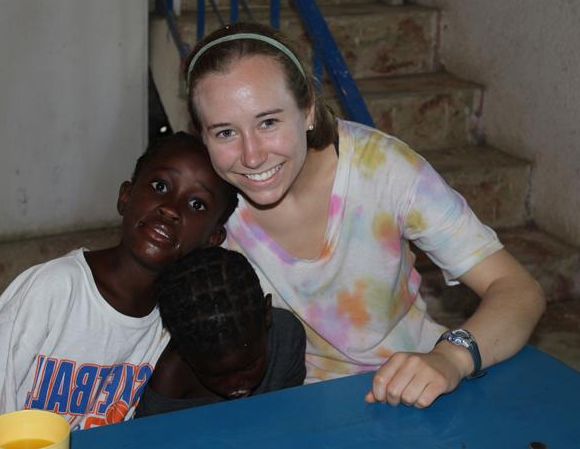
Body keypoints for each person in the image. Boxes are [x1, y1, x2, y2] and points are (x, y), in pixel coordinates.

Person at [182, 21, 546, 409]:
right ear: (201, 136)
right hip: (291, 406)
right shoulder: (201, 201)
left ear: (307, 110)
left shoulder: (383, 169)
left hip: (412, 389)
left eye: (268, 122)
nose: (252, 156)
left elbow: (518, 290)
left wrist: (451, 358)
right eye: (224, 133)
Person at [0, 132, 238, 448]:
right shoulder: (53, 289)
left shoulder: (170, 326)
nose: (171, 208)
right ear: (126, 196)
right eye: (160, 186)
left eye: (197, 204)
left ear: (213, 239)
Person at [135, 246, 306, 417]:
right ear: (183, 352)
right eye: (214, 374)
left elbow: (289, 413)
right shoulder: (170, 382)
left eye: (249, 366)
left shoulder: (286, 336)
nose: (234, 384)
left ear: (267, 315)